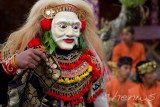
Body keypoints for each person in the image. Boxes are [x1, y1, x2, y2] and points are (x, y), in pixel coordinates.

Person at [1, 0, 108, 106]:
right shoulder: (27, 54)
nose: (70, 33)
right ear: (47, 26)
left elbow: (99, 101)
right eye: (63, 26)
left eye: (75, 27)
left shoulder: (91, 64)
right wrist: (12, 64)